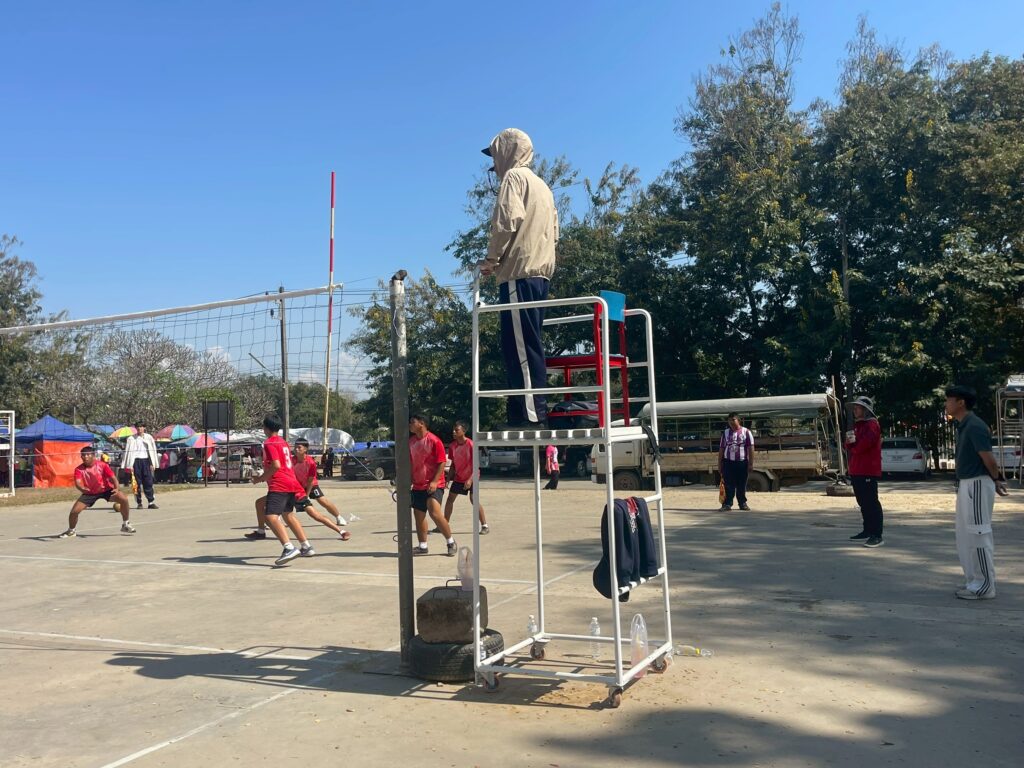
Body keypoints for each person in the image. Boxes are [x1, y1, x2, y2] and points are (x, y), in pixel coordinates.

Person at [476, 128, 559, 428]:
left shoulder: (514, 178)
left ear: (506, 152)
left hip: (517, 274)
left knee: (520, 348)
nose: (494, 166)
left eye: (495, 158)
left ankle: (533, 415)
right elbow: (555, 233)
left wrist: (491, 260)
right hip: (540, 275)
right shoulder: (543, 186)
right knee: (525, 343)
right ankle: (521, 412)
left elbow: (505, 223)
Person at [945, 384, 1008, 600]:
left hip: (977, 484)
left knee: (978, 533)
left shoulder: (974, 426)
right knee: (965, 536)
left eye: (949, 399)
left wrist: (996, 479)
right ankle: (974, 581)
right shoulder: (964, 425)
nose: (946, 404)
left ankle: (984, 586)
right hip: (967, 484)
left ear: (960, 402)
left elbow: (989, 459)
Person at [249, 414, 314, 566]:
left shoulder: (269, 443)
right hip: (291, 482)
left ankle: (288, 547)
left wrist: (260, 478)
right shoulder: (283, 442)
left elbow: (276, 465)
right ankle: (306, 546)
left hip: (280, 484)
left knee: (271, 516)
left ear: (266, 428)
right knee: (288, 515)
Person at [59, 446, 134, 537]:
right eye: (83, 455)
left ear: (93, 456)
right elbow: (78, 482)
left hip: (106, 490)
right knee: (74, 512)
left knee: (123, 499)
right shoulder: (79, 469)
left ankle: (126, 524)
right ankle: (71, 531)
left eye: (88, 455)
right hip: (90, 493)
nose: (85, 457)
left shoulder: (102, 465)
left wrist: (117, 488)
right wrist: (82, 488)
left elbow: (113, 478)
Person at [409, 414, 456, 556]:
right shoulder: (411, 442)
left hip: (435, 484)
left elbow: (442, 462)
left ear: (421, 423)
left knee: (434, 512)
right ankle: (422, 546)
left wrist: (435, 481)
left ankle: (450, 542)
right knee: (419, 516)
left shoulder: (435, 441)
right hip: (418, 485)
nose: (410, 424)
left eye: (412, 422)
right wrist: (408, 479)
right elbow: (410, 462)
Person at [290, 438, 350, 539]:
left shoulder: (310, 462)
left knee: (322, 501)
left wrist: (306, 495)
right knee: (284, 502)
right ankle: (275, 519)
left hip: (311, 484)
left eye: (299, 447)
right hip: (298, 486)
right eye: (295, 447)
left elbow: (310, 480)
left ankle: (338, 517)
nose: (296, 449)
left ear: (305, 449)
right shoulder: (292, 460)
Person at [845, 395, 884, 547]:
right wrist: (849, 442)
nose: (855, 410)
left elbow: (863, 445)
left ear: (866, 410)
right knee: (862, 502)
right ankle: (867, 530)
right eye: (854, 408)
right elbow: (850, 446)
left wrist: (853, 445)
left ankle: (877, 535)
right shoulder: (858, 425)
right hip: (857, 469)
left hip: (868, 469)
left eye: (858, 408)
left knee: (871, 502)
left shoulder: (872, 424)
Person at [442, 421, 489, 534]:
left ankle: (485, 526)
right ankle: (444, 524)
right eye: (453, 430)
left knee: (474, 500)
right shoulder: (453, 446)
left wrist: (470, 480)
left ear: (464, 431)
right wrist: (447, 479)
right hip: (459, 478)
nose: (454, 432)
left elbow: (476, 465)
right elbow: (453, 465)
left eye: (456, 430)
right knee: (450, 499)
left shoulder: (471, 445)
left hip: (472, 477)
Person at [718, 412, 754, 511]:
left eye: (733, 420)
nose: (731, 422)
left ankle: (742, 503)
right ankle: (727, 504)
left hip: (742, 463)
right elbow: (721, 449)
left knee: (741, 484)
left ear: (739, 420)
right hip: (728, 463)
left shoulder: (746, 432)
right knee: (728, 485)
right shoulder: (725, 433)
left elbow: (751, 448)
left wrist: (750, 464)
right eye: (729, 420)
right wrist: (719, 464)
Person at [123, 422, 159, 509]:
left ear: (144, 428)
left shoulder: (149, 437)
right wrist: (130, 465)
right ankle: (139, 503)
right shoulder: (131, 439)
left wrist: (152, 463)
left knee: (148, 482)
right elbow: (128, 453)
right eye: (138, 427)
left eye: (141, 427)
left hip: (146, 461)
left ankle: (151, 502)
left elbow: (152, 451)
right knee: (136, 483)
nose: (139, 429)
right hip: (136, 462)